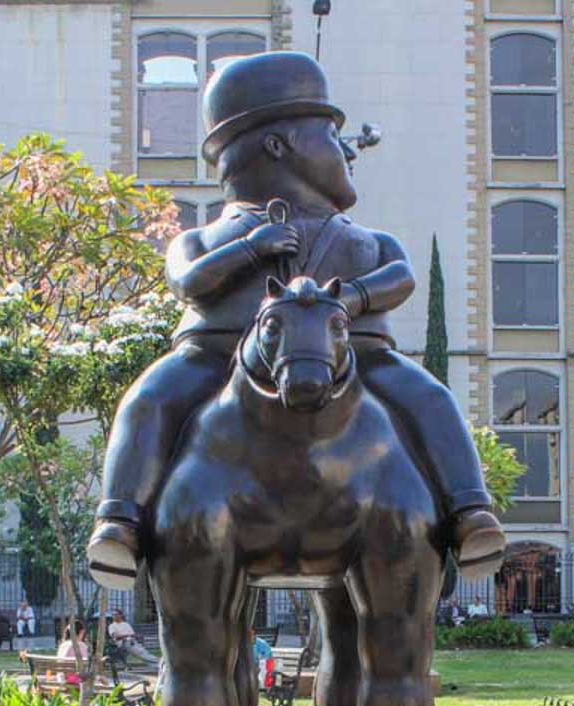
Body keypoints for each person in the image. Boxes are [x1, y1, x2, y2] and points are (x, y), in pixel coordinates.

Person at [88, 51, 504, 591]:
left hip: (358, 357)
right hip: (212, 358)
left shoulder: (364, 240)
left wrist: (353, 297)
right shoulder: (202, 237)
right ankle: (119, 521)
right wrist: (249, 249)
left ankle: (469, 512)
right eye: (330, 136)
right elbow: (189, 282)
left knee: (428, 397)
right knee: (148, 400)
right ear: (278, 145)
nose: (344, 151)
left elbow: (400, 277)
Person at [56, 620, 90, 685]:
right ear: (81, 631)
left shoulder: (62, 645)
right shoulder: (80, 645)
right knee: (99, 678)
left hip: (62, 679)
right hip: (75, 680)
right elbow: (85, 665)